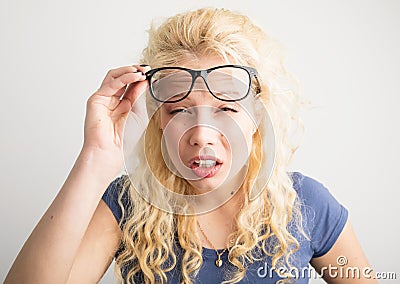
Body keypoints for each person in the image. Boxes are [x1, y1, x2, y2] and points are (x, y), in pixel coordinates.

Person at [5, 7, 375, 284]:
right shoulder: (126, 205)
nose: (201, 133)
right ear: (159, 121)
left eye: (226, 109)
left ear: (257, 116)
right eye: (179, 110)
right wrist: (95, 158)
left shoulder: (307, 204)